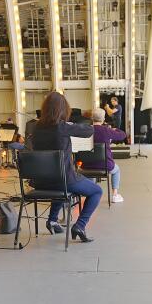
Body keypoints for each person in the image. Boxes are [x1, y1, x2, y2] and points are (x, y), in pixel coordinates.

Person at [30, 91, 102, 242]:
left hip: (40, 181)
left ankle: (52, 220)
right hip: (62, 180)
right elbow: (89, 131)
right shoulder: (62, 127)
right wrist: (86, 119)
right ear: (63, 110)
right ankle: (80, 225)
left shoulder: (36, 128)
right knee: (96, 191)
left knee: (62, 183)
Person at [87, 107, 127, 202]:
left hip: (87, 165)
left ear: (92, 118)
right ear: (103, 119)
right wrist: (115, 129)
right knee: (116, 170)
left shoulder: (86, 130)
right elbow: (123, 135)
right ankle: (115, 195)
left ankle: (91, 193)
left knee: (91, 171)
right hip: (105, 165)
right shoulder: (106, 130)